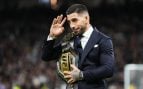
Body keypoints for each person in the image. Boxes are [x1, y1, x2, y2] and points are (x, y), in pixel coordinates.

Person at [41, 4, 115, 89]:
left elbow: (108, 69)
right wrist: (52, 36)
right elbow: (46, 56)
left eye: (75, 20)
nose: (72, 25)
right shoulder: (68, 40)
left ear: (86, 18)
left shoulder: (103, 40)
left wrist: (82, 75)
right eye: (69, 22)